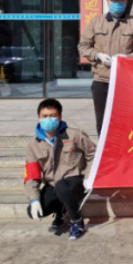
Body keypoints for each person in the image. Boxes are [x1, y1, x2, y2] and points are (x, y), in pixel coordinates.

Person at [78, 0, 133, 135]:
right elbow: (83, 46)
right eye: (114, 0)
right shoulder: (96, 22)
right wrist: (97, 55)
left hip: (126, 80)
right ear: (107, 1)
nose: (117, 3)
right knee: (102, 120)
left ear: (126, 2)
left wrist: (128, 58)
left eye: (120, 0)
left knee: (126, 119)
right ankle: (104, 148)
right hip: (101, 79)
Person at [24, 98, 96, 241]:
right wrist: (34, 200)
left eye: (52, 116)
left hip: (76, 182)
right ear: (39, 118)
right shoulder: (33, 144)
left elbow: (93, 155)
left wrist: (89, 177)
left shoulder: (75, 135)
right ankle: (61, 209)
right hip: (53, 184)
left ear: (60, 117)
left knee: (63, 186)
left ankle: (77, 221)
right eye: (45, 116)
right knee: (34, 210)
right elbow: (32, 174)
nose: (48, 119)